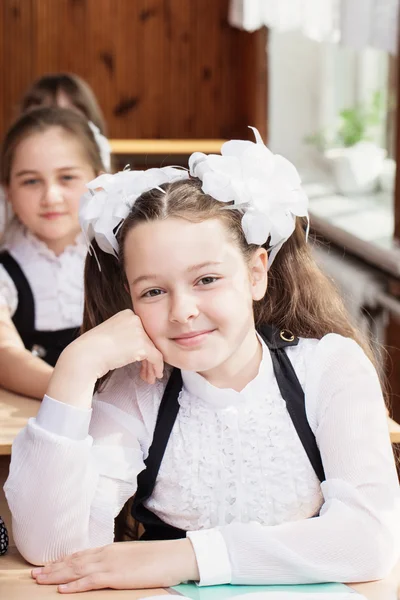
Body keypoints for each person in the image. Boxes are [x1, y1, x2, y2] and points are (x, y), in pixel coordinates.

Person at [5, 130, 400, 593]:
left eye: (207, 279)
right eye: (153, 291)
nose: (182, 311)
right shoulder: (139, 390)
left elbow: (368, 540)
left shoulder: (331, 368)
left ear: (256, 274)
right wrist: (74, 368)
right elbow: (54, 551)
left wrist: (185, 556)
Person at [0, 106, 104, 398]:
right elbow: (5, 357)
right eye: (31, 181)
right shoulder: (6, 274)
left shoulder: (119, 254)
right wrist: (81, 393)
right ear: (8, 190)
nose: (51, 197)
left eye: (67, 177)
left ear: (98, 179)